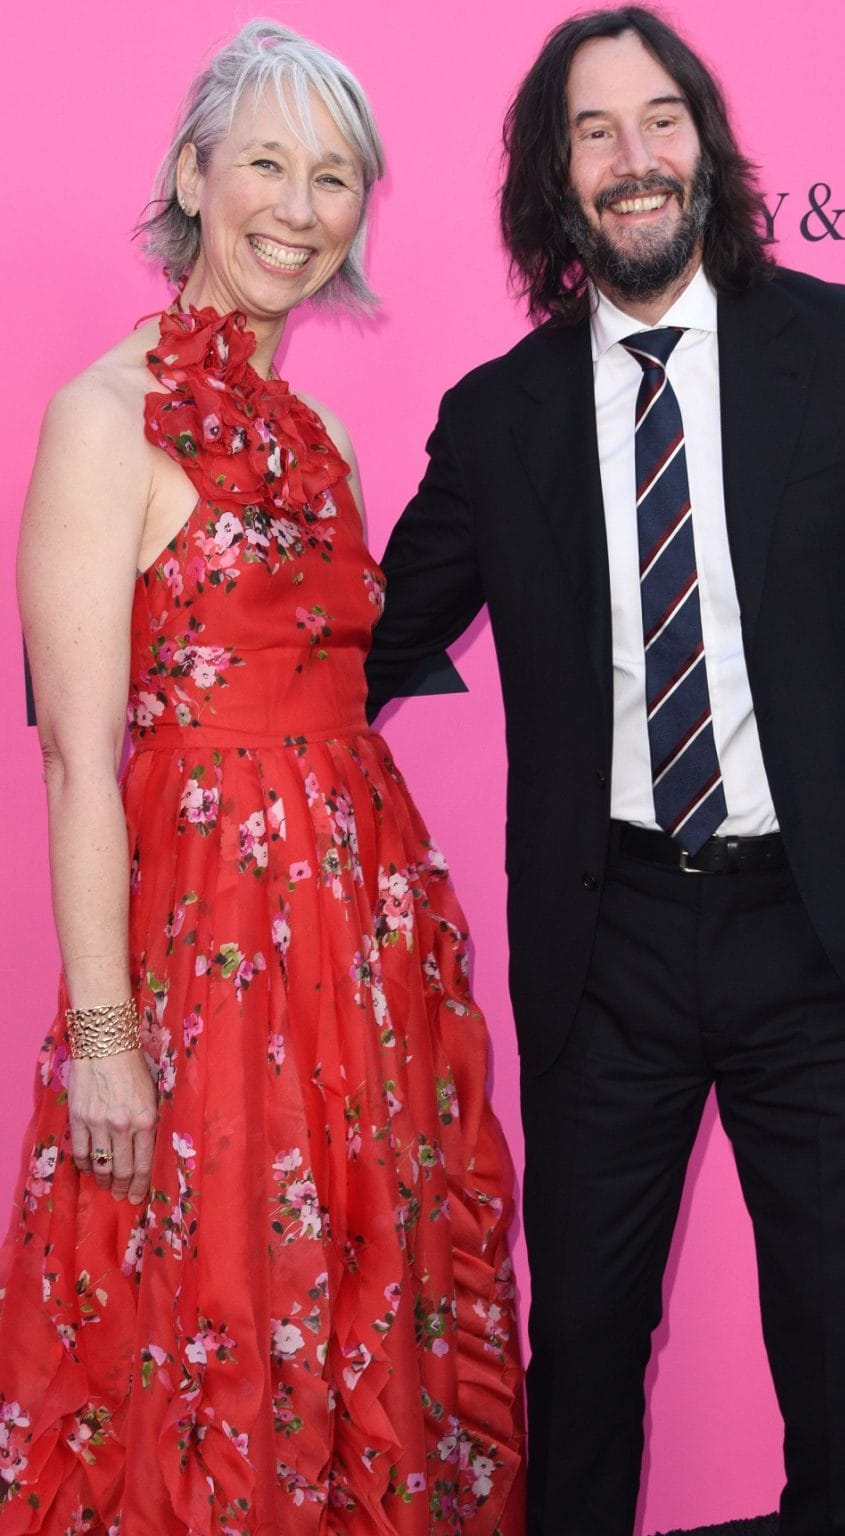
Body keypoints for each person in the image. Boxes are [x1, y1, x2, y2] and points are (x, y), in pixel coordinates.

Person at [364, 7, 845, 1535]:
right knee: (589, 1347)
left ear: (705, 144)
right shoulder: (496, 418)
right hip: (609, 947)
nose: (631, 160)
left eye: (657, 120)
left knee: (833, 1342)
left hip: (822, 927)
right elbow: (362, 635)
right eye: (591, 133)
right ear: (553, 179)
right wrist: (149, 629)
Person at [1, 21, 523, 1534]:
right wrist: (104, 1032)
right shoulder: (103, 424)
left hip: (360, 953)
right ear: (194, 173)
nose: (299, 207)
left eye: (336, 176)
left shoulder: (327, 434)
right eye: (268, 165)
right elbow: (73, 763)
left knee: (363, 1291)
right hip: (206, 961)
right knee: (204, 1303)